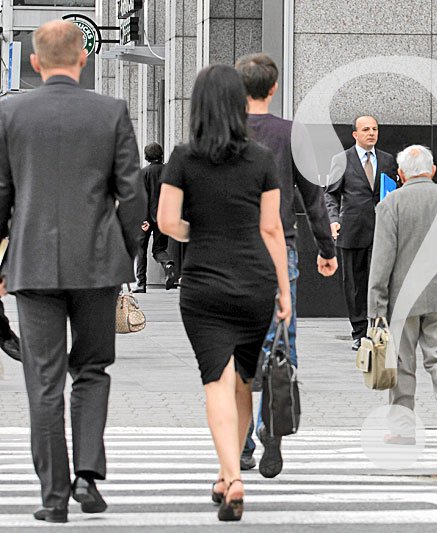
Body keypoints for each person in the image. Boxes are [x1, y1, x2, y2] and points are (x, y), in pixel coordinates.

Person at [0, 20, 146, 523]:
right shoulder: (111, 111)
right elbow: (133, 195)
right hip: (97, 263)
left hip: (32, 265)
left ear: (34, 61)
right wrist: (123, 252)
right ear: (84, 59)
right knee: (92, 369)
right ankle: (87, 474)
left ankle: (54, 497)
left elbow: (2, 195)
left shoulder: (9, 113)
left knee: (43, 382)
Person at [157, 64, 291, 521]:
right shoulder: (261, 158)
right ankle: (226, 471)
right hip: (255, 282)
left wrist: (199, 231)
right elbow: (271, 229)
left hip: (203, 285)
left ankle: (231, 477)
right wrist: (284, 290)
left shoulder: (182, 157)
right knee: (244, 381)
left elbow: (167, 222)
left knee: (216, 379)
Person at [234, 53, 338, 477]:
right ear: (273, 88)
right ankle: (271, 426)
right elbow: (312, 196)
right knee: (281, 342)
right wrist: (326, 249)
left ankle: (240, 443)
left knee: (237, 345)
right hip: (281, 249)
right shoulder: (291, 133)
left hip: (233, 253)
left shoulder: (224, 131)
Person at [368, 145, 437, 445]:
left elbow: (381, 262)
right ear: (433, 171)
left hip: (401, 300)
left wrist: (376, 309)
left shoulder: (391, 204)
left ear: (401, 175)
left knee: (402, 365)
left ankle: (403, 430)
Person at [325, 115, 398, 350]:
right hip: (352, 230)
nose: (371, 133)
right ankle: (359, 332)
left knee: (380, 282)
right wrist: (333, 220)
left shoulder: (387, 160)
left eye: (374, 129)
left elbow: (393, 192)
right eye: (366, 129)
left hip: (382, 231)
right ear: (355, 134)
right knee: (355, 285)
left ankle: (378, 329)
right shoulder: (342, 160)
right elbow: (331, 194)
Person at [133, 142, 177, 293]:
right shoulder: (169, 171)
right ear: (162, 155)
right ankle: (167, 263)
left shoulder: (143, 173)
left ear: (146, 157)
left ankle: (141, 284)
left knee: (141, 249)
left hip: (146, 218)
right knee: (159, 248)